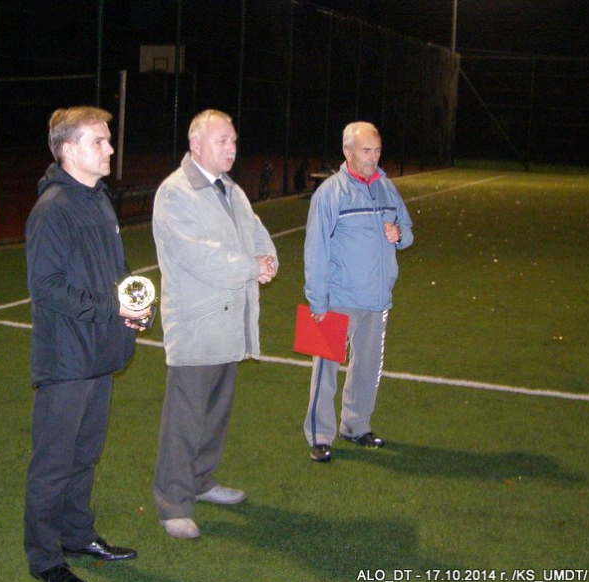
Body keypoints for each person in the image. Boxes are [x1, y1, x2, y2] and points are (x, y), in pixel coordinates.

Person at [24, 106, 151, 582]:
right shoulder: (53, 209)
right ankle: (44, 558)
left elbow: (117, 271)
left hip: (99, 353)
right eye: (99, 140)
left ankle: (77, 536)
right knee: (53, 464)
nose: (110, 148)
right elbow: (47, 287)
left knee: (84, 455)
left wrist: (134, 304)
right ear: (68, 149)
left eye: (108, 139)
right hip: (67, 361)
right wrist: (110, 309)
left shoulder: (97, 200)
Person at [151, 109, 278, 539]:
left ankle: (201, 480)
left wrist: (268, 259)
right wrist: (251, 266)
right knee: (184, 420)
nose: (231, 148)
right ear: (196, 144)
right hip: (196, 327)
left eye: (234, 140)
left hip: (228, 326)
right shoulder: (175, 193)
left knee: (215, 413)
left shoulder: (231, 190)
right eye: (222, 140)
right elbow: (199, 256)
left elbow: (257, 232)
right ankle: (173, 503)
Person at [303, 121, 413, 463]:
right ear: (347, 151)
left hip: (378, 299)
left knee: (367, 367)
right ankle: (319, 436)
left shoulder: (387, 188)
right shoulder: (329, 193)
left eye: (377, 150)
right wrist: (316, 300)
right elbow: (315, 249)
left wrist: (399, 234)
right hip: (337, 298)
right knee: (324, 370)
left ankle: (355, 425)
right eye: (366, 151)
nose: (373, 157)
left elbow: (407, 230)